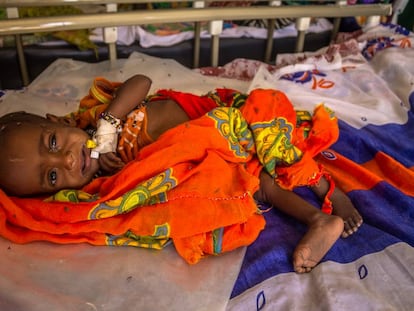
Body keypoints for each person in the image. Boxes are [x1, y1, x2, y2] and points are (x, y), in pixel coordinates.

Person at [0, 74, 362, 273]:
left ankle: (329, 190)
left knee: (277, 148)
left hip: (226, 118)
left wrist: (110, 121)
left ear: (54, 122)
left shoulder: (94, 115)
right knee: (256, 187)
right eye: (51, 177)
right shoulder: (102, 184)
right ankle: (317, 219)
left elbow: (140, 81)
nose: (64, 161)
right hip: (216, 155)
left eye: (51, 142)